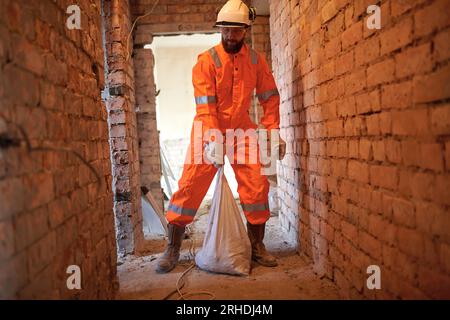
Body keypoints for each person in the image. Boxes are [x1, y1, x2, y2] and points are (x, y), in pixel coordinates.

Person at [156, 0, 286, 274]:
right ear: (220, 30)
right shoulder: (207, 61)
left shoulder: (255, 61)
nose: (230, 36)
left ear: (246, 30)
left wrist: (271, 132)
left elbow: (270, 98)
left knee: (257, 185)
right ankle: (172, 248)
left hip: (242, 129)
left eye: (235, 31)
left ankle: (257, 245)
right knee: (190, 185)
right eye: (225, 30)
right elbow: (205, 105)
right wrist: (214, 138)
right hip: (208, 129)